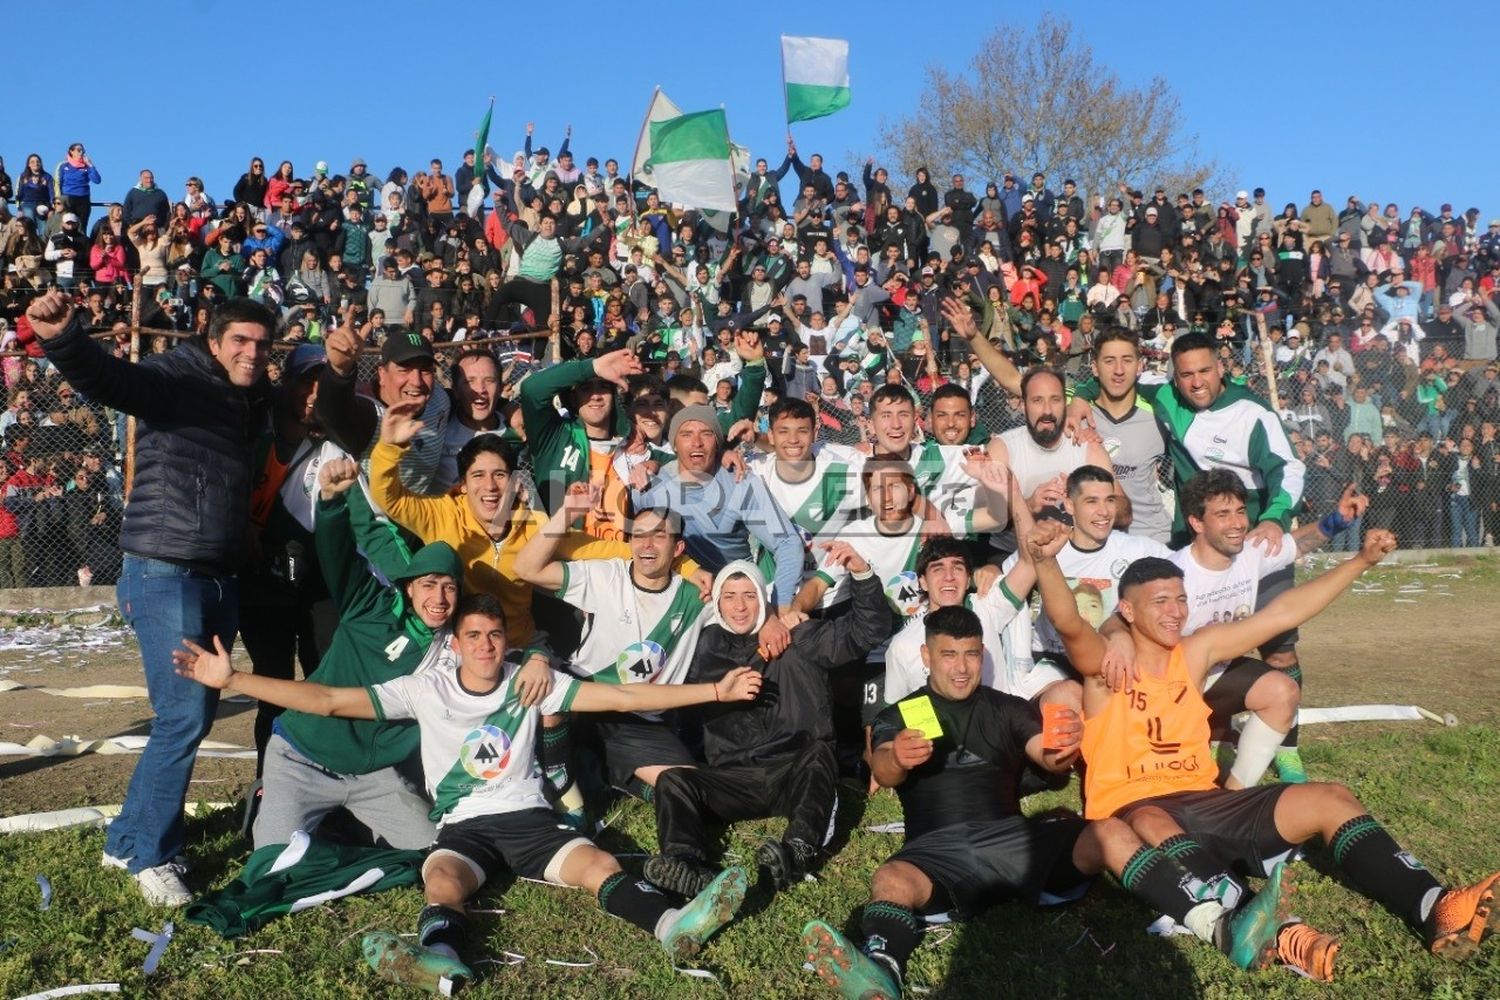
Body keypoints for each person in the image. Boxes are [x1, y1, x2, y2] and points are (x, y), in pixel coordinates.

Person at [174, 592, 761, 993]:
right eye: (472, 635)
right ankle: (443, 962)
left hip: (531, 818)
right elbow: (328, 700)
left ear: (508, 639)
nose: (483, 644)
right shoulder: (423, 689)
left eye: (494, 634)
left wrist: (716, 691)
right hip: (463, 825)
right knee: (442, 880)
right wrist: (234, 681)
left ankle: (671, 925)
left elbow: (628, 699)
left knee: (599, 864)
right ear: (454, 642)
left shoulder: (535, 680)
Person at [1030, 521, 1500, 980]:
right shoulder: (1104, 669)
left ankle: (1435, 905)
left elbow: (1280, 615)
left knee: (1329, 797)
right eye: (1160, 602)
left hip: (1206, 802)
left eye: (1180, 598)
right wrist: (1046, 561)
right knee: (1154, 819)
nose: (1175, 611)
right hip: (1136, 813)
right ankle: (1267, 927)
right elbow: (1069, 622)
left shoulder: (1193, 654)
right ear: (1127, 612)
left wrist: (1360, 561)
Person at [800, 604, 1294, 1000]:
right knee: (890, 879)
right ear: (927, 658)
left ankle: (1220, 926)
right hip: (937, 851)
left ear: (982, 654)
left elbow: (1050, 758)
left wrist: (1063, 749)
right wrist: (900, 758)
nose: (961, 666)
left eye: (971, 654)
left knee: (1107, 831)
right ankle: (881, 973)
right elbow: (882, 769)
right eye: (949, 655)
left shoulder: (1005, 708)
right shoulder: (903, 713)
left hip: (1016, 844)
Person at [25, 290, 275, 906]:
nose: (251, 352)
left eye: (262, 344)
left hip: (214, 573)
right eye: (239, 340)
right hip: (166, 570)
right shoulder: (175, 376)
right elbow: (114, 381)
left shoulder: (247, 396)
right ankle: (152, 855)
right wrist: (63, 340)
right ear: (211, 339)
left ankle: (125, 839)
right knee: (184, 715)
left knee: (193, 713)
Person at [647, 547, 888, 898]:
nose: (740, 606)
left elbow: (869, 630)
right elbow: (654, 674)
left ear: (764, 599)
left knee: (820, 754)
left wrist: (862, 573)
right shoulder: (701, 647)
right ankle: (686, 863)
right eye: (729, 597)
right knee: (673, 780)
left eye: (749, 596)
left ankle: (797, 851)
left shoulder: (798, 637)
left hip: (794, 770)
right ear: (717, 602)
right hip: (734, 776)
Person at [514, 489, 709, 817]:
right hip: (586, 695)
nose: (646, 545)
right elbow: (527, 568)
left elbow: (746, 604)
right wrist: (566, 511)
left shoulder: (697, 596)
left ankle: (602, 770)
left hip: (637, 715)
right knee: (552, 695)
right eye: (639, 535)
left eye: (658, 536)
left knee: (687, 785)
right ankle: (567, 796)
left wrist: (777, 618)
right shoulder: (606, 574)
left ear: (678, 549)